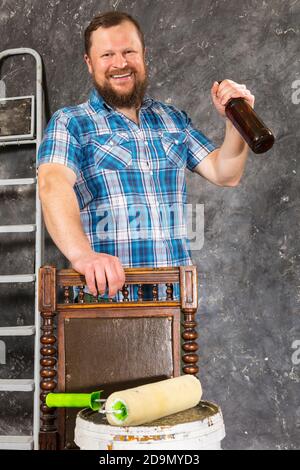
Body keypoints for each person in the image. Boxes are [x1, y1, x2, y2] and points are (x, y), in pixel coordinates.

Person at [37, 11, 254, 301]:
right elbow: (53, 184)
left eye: (129, 51)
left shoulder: (172, 119)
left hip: (173, 300)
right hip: (104, 299)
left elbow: (226, 173)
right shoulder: (72, 122)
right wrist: (83, 257)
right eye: (107, 55)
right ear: (89, 63)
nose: (120, 63)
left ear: (143, 54)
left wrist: (235, 120)